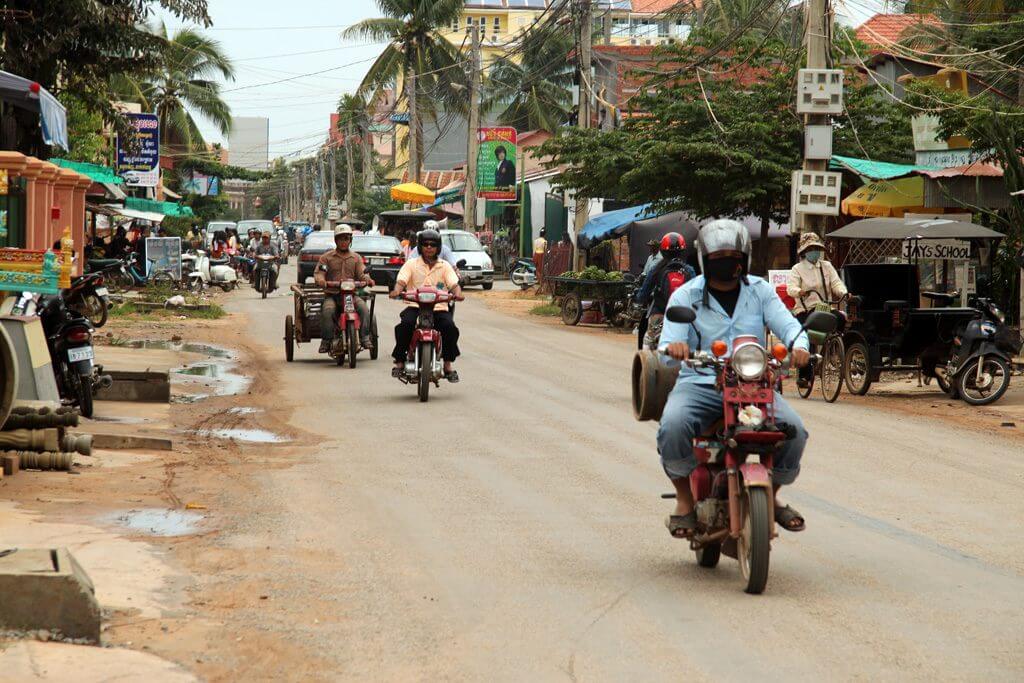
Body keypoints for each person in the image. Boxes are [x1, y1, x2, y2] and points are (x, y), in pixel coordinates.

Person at [658, 219, 811, 538]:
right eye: (719, 257)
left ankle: (772, 493)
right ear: (704, 260)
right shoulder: (686, 295)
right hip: (701, 382)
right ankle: (684, 501)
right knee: (672, 426)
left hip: (753, 385)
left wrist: (800, 346)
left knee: (794, 431)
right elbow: (666, 344)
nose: (728, 263)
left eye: (733, 256)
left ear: (745, 259)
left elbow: (789, 326)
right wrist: (675, 347)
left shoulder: (761, 291)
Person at [389, 228, 463, 382]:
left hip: (439, 308)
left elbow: (454, 283)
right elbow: (401, 280)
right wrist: (397, 291)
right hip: (415, 306)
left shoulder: (445, 266)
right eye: (426, 244)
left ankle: (448, 365)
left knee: (450, 327)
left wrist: (458, 293)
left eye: (433, 244)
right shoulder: (411, 264)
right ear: (420, 246)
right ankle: (400, 361)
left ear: (438, 247)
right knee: (405, 325)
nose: (429, 247)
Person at [786, 232, 847, 388]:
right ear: (805, 251)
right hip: (805, 310)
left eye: (817, 248)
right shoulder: (797, 269)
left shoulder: (826, 266)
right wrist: (799, 291)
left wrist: (844, 293)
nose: (815, 251)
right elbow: (791, 288)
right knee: (806, 338)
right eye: (811, 248)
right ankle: (805, 376)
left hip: (824, 307)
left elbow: (836, 284)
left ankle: (832, 352)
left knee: (840, 318)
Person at [314, 225, 374, 353]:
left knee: (363, 308)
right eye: (340, 239)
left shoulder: (356, 258)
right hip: (333, 295)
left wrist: (368, 280)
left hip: (351, 295)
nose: (343, 242)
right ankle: (326, 340)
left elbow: (362, 273)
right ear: (336, 240)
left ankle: (365, 337)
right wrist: (321, 280)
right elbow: (320, 272)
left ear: (350, 240)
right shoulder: (326, 258)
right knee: (327, 310)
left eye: (346, 238)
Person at [635, 232, 696, 350]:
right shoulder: (689, 270)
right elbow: (696, 295)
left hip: (660, 312)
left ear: (662, 250)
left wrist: (638, 298)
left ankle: (647, 364)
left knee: (649, 338)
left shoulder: (657, 269)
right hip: (684, 314)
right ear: (683, 250)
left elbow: (644, 293)